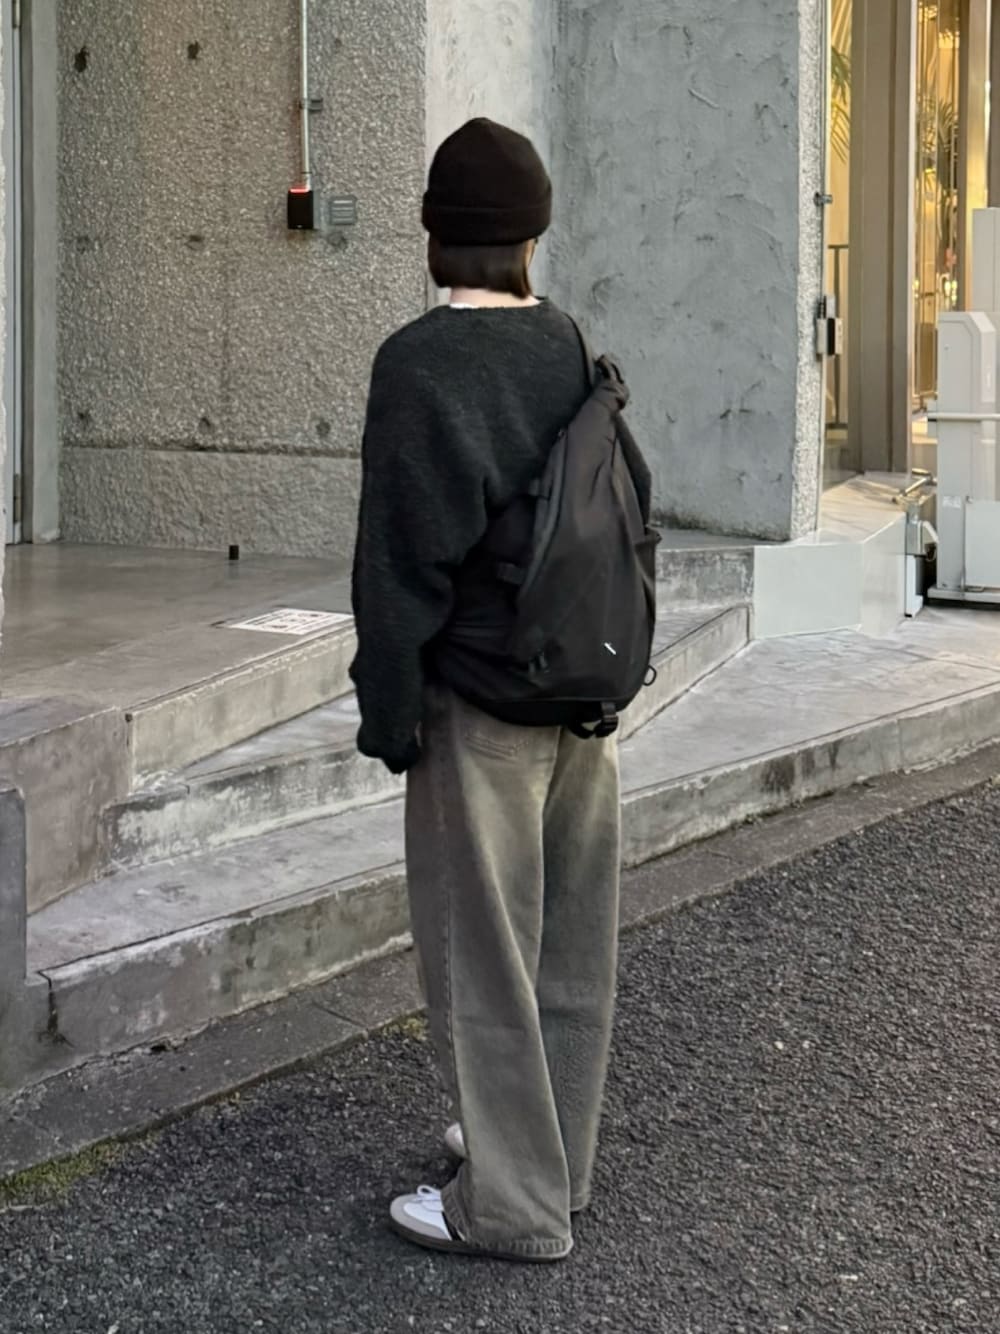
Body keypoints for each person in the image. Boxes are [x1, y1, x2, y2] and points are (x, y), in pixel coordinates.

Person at [350, 118, 651, 1262]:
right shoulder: (567, 341)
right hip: (580, 688)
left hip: (477, 704)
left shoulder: (419, 364)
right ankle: (549, 1159)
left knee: (480, 956)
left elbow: (399, 567)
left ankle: (510, 1206)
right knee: (567, 948)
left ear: (435, 235)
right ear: (532, 235)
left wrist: (388, 713)